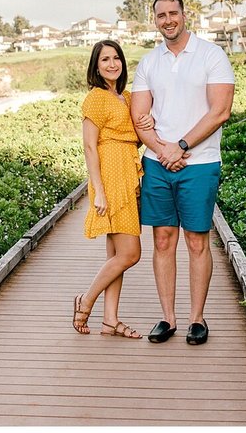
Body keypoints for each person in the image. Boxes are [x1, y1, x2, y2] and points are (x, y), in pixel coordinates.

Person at [130, 0, 235, 345]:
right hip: (158, 163)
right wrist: (163, 149)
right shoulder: (149, 62)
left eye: (173, 13)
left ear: (185, 14)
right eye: (161, 15)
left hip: (200, 163)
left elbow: (219, 111)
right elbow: (139, 116)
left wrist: (182, 146)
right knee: (162, 239)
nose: (168, 20)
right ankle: (168, 318)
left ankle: (197, 319)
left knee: (196, 240)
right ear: (155, 20)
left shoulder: (211, 55)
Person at [72, 39, 154, 339]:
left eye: (116, 58)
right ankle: (86, 300)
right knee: (131, 253)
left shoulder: (127, 97)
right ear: (96, 65)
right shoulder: (95, 98)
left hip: (129, 174)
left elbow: (134, 138)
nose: (112, 64)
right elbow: (89, 147)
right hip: (109, 178)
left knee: (116, 256)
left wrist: (149, 121)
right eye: (105, 59)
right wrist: (99, 191)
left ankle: (110, 321)